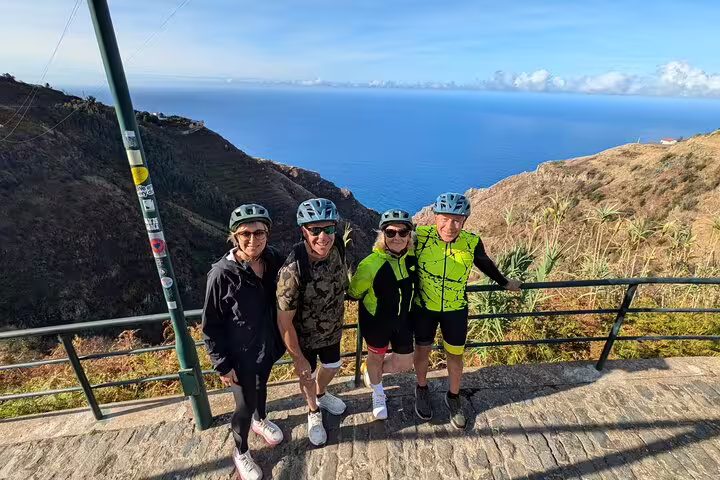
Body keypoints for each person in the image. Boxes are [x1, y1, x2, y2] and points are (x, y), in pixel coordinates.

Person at [412, 192, 522, 429]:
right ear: (435, 217)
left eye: (457, 220)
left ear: (464, 221)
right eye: (444, 218)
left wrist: (504, 282)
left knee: (455, 355)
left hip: (455, 310)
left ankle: (453, 397)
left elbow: (485, 264)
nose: (450, 226)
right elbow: (393, 250)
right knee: (422, 351)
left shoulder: (471, 241)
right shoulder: (420, 236)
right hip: (424, 307)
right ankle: (421, 388)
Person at [202, 204, 286, 480]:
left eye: (259, 232)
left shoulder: (273, 259)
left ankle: (260, 422)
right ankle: (241, 452)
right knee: (243, 406)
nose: (253, 240)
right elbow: (210, 326)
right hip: (239, 357)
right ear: (234, 236)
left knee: (262, 388)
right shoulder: (222, 274)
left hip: (267, 348)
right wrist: (223, 365)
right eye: (245, 233)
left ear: (268, 233)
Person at [276, 198, 349, 446]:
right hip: (304, 337)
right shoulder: (292, 271)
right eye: (315, 230)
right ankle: (313, 412)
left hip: (332, 330)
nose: (323, 237)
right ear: (304, 231)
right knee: (306, 376)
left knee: (333, 366)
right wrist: (297, 357)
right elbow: (284, 322)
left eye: (328, 229)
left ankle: (321, 393)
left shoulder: (338, 245)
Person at [348, 209, 418, 420]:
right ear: (382, 236)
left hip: (404, 321)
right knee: (375, 356)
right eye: (390, 232)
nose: (397, 237)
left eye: (403, 232)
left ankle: (371, 372)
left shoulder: (413, 259)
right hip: (376, 322)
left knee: (405, 363)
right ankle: (378, 393)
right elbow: (354, 292)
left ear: (409, 236)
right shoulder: (370, 264)